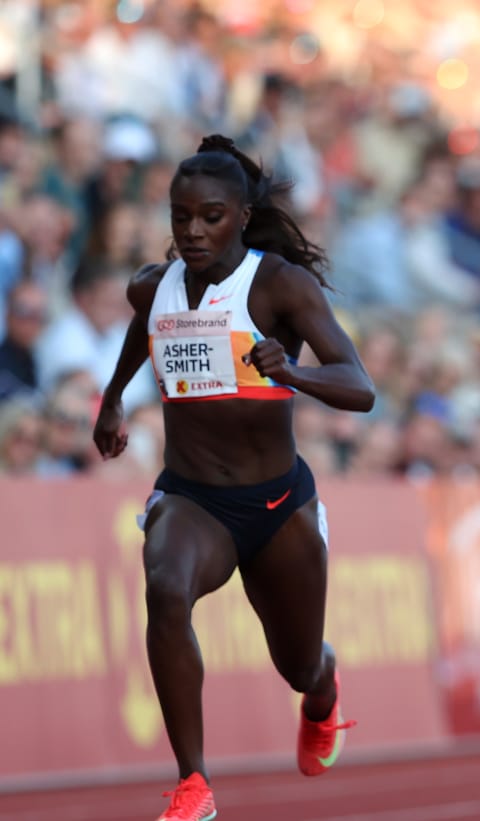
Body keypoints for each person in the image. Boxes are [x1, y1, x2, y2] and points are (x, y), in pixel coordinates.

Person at [91, 135, 375, 821]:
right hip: (194, 499)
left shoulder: (278, 285)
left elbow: (360, 387)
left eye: (210, 217)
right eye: (180, 216)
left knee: (298, 666)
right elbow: (145, 328)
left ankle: (324, 690)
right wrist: (114, 397)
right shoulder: (152, 286)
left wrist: (293, 371)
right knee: (165, 587)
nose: (193, 230)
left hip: (279, 505)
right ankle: (193, 782)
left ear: (242, 217)